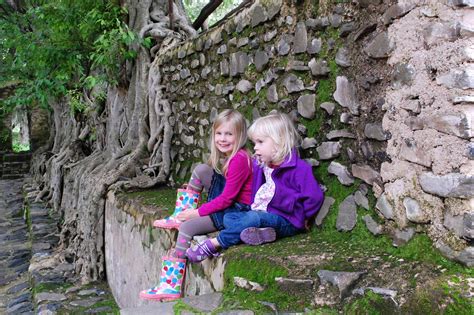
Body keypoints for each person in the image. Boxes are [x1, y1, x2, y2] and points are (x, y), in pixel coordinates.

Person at [140, 109, 253, 301]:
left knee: (187, 226)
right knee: (201, 170)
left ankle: (171, 285)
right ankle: (179, 214)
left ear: (240, 136)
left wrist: (196, 213)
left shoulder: (240, 160)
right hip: (229, 203)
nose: (223, 139)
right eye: (219, 133)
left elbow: (227, 199)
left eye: (229, 134)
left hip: (235, 211)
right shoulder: (230, 158)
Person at [185, 112, 324, 264]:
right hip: (261, 214)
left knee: (253, 218)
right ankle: (262, 234)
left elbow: (314, 197)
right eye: (254, 143)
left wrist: (303, 217)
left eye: (260, 142)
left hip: (286, 220)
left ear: (279, 142)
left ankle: (213, 244)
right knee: (229, 217)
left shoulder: (298, 168)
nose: (255, 148)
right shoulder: (263, 165)